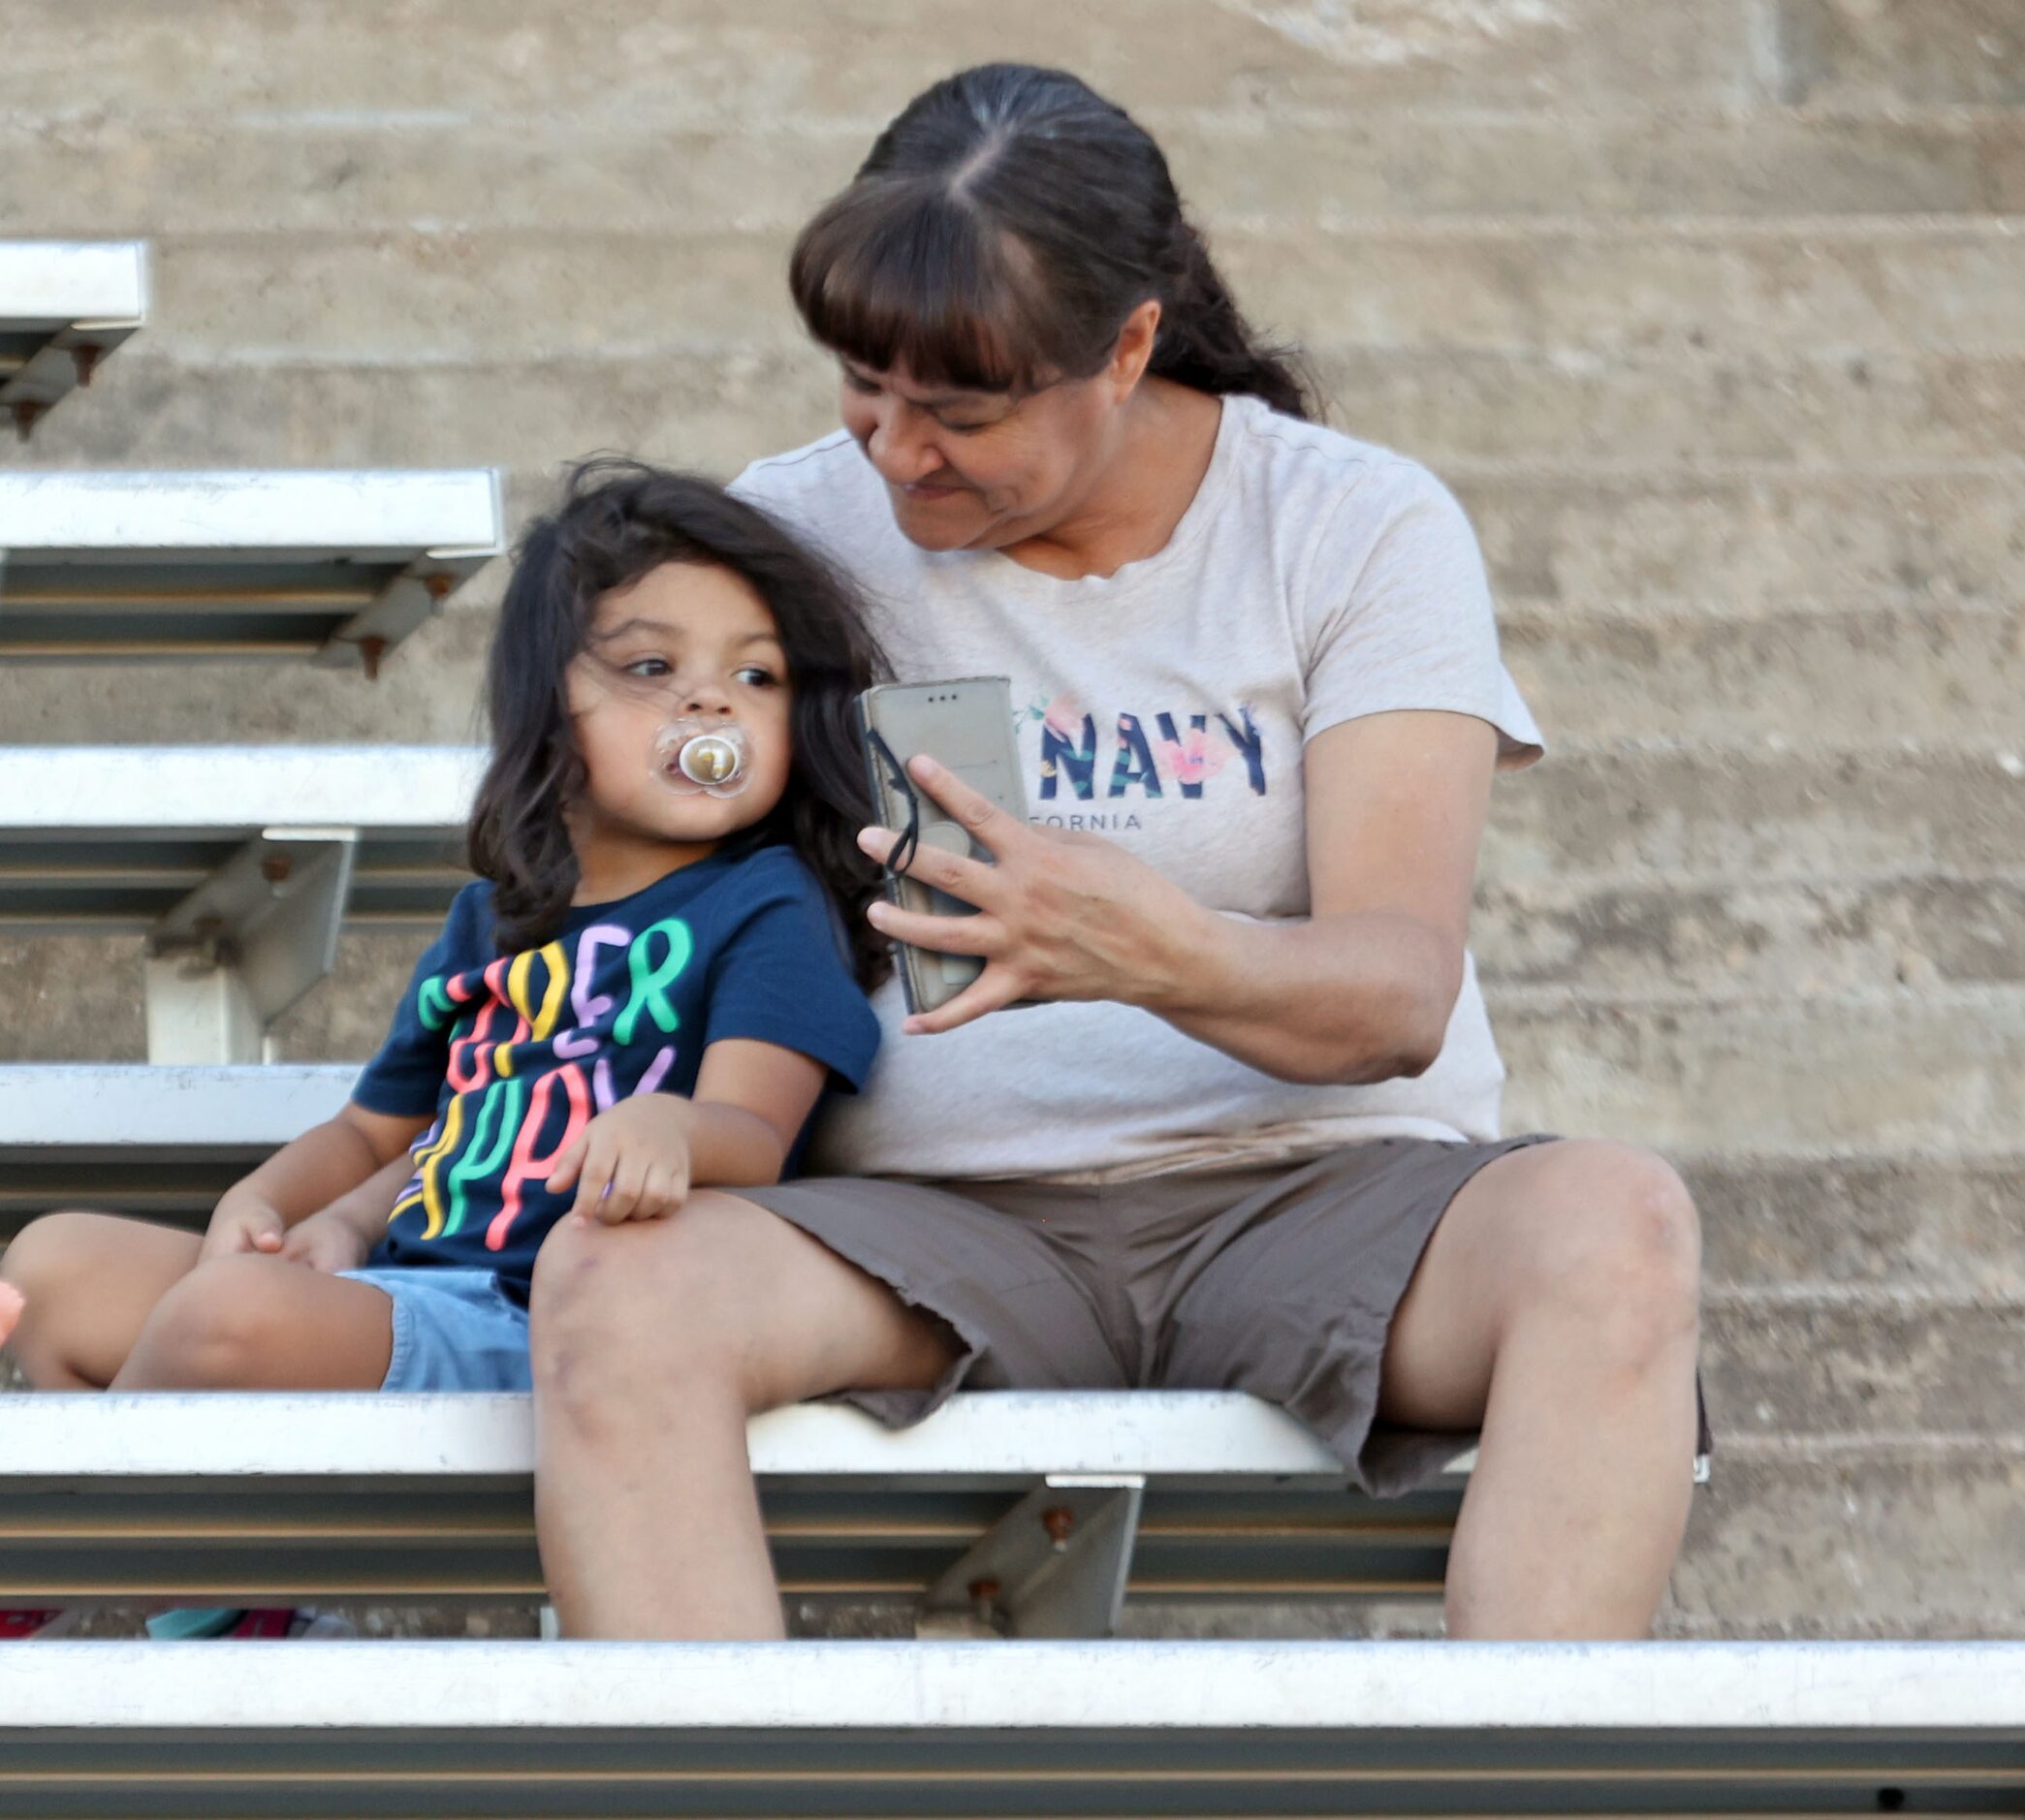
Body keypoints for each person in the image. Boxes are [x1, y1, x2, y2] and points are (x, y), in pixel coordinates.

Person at [528, 64, 1705, 1643]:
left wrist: (1147, 947)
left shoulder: (1352, 524)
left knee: (1614, 1223)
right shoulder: (780, 538)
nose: (895, 454)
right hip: (929, 1216)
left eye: (961, 412)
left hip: (1315, 1188)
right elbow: (644, 875)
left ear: (1127, 349)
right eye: (862, 386)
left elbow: (1396, 990)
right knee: (615, 1288)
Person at [0, 458, 890, 1641]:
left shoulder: (766, 906)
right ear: (551, 704)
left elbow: (755, 1131)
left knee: (219, 1323)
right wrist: (283, 1204)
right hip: (394, 1291)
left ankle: (10, 1574)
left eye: (754, 676)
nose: (711, 707)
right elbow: (377, 1132)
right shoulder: (495, 917)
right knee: (56, 1270)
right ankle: (229, 1614)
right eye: (654, 669)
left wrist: (673, 1130)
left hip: (547, 1328)